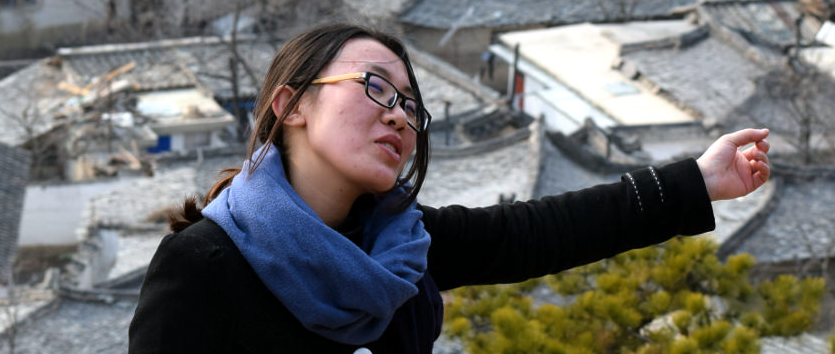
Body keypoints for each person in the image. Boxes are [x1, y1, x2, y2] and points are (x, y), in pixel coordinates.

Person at [128, 24, 771, 354]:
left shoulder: (402, 246)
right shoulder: (205, 265)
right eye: (375, 86)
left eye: (410, 105)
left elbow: (538, 232)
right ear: (291, 105)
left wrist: (699, 182)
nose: (399, 115)